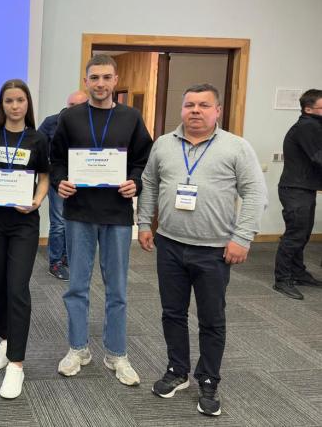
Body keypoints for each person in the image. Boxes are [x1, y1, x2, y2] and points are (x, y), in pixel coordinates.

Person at [137, 83, 267, 417]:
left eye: (204, 105)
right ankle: (177, 370)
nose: (195, 110)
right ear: (182, 109)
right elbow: (149, 184)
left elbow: (255, 193)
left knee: (211, 319)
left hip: (214, 250)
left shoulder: (236, 147)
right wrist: (143, 223)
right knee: (172, 313)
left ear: (217, 111)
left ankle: (208, 379)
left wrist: (243, 237)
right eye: (190, 104)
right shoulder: (164, 144)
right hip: (169, 244)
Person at [51, 54, 152, 386]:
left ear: (115, 80)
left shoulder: (131, 117)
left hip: (117, 214)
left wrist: (135, 181)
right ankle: (78, 349)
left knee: (117, 289)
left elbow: (143, 160)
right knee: (77, 286)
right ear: (86, 81)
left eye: (107, 77)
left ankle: (116, 353)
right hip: (79, 213)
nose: (100, 83)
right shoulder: (70, 118)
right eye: (94, 78)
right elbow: (55, 160)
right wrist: (59, 181)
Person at [0, 79, 50, 399]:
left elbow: (44, 178)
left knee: (17, 287)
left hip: (24, 223)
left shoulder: (38, 138)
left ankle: (16, 363)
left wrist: (36, 201)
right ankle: (6, 340)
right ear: (1, 105)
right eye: (9, 100)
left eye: (20, 100)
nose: (15, 106)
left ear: (27, 103)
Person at [273, 88, 322, 299]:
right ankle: (282, 280)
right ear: (308, 109)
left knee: (303, 234)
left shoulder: (313, 125)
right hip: (295, 190)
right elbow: (319, 157)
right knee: (294, 235)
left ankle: (298, 272)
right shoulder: (308, 126)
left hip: (304, 189)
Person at [38, 90, 88, 280]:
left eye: (80, 106)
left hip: (81, 182)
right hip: (58, 182)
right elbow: (38, 148)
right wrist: (50, 172)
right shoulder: (51, 122)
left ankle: (67, 257)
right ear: (66, 105)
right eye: (72, 105)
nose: (75, 109)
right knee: (59, 223)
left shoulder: (91, 123)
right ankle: (55, 262)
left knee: (74, 221)